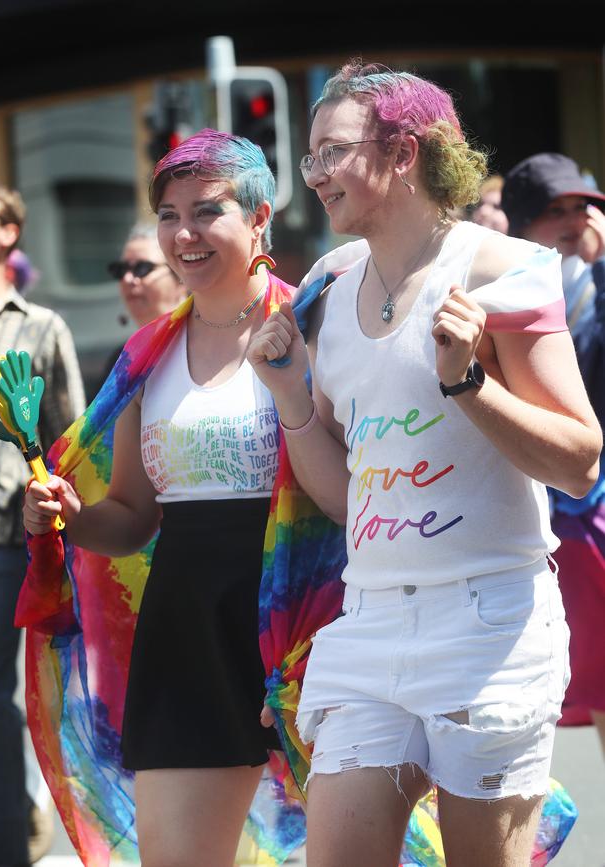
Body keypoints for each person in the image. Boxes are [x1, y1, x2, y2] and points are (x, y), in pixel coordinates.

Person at [248, 63, 602, 867]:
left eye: (331, 152)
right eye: (309, 158)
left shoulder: (501, 268)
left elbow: (580, 460)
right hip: (369, 621)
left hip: (490, 625)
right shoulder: (329, 285)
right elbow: (347, 499)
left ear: (403, 152)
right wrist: (291, 397)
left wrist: (468, 384)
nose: (316, 176)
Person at [22, 130, 299, 867]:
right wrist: (72, 521)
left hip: (306, 624)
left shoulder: (316, 326)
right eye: (169, 214)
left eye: (206, 211)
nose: (183, 234)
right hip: (186, 631)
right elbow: (133, 517)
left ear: (260, 216)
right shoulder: (147, 355)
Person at [0, 178, 86, 867]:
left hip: (6, 532)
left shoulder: (39, 325)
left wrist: (68, 522)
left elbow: (71, 432)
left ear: (9, 232)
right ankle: (22, 801)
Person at [501, 153, 605, 750]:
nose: (575, 221)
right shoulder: (505, 291)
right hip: (538, 520)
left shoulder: (598, 280)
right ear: (520, 225)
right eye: (554, 211)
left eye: (583, 206)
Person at [100, 222, 186, 383]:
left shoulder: (201, 348)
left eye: (142, 268)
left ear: (181, 278)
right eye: (121, 269)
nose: (127, 279)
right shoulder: (120, 361)